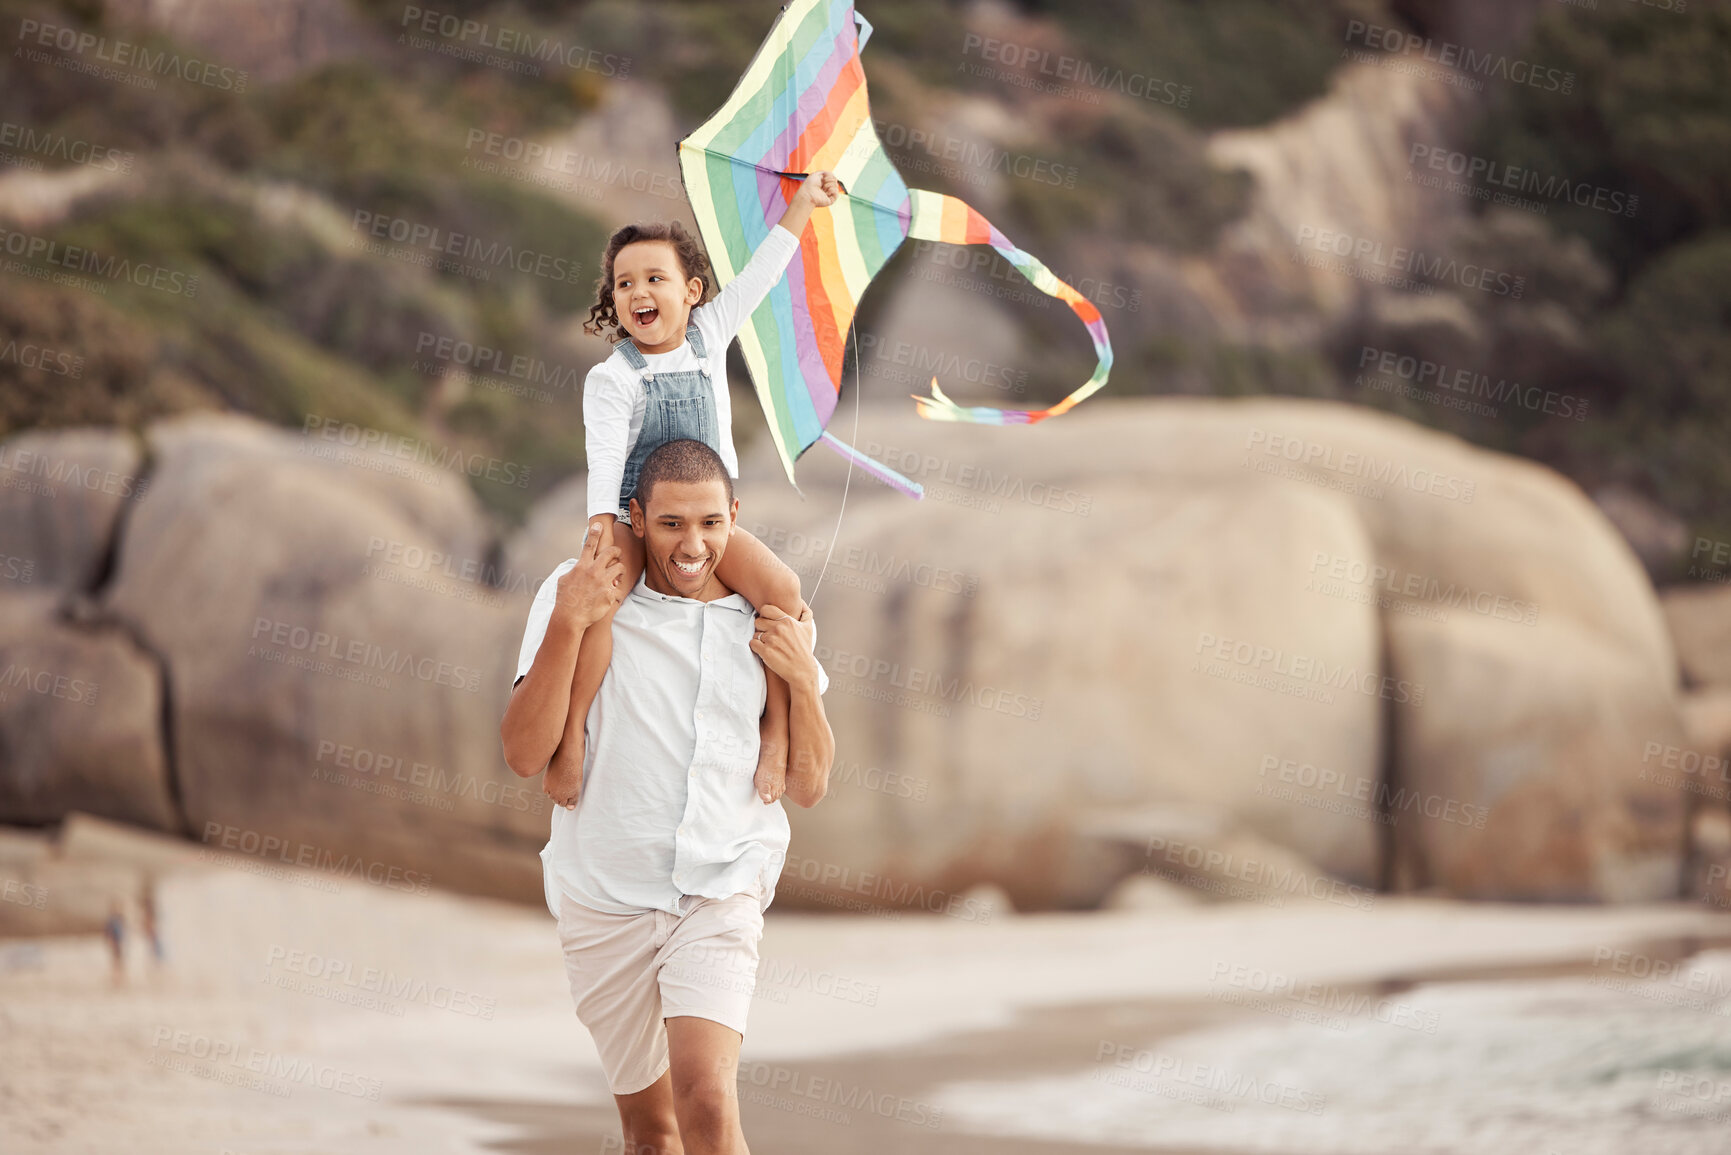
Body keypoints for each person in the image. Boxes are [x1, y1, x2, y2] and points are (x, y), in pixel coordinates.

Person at [499, 438, 835, 1155]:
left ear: (735, 518)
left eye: (711, 523)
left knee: (707, 1105)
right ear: (638, 518)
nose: (693, 544)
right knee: (652, 1135)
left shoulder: (765, 613)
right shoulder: (583, 591)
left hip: (721, 885)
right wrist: (566, 619)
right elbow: (525, 753)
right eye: (673, 523)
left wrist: (802, 681)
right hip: (603, 892)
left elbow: (808, 785)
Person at [558, 171, 842, 814]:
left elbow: (763, 274)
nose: (639, 292)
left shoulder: (709, 337)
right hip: (639, 519)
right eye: (624, 283)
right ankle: (573, 731)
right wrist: (604, 520)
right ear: (614, 300)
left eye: (655, 278)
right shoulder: (613, 377)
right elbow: (603, 453)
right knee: (601, 604)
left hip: (708, 522)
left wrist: (801, 205)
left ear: (690, 292)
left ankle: (774, 731)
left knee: (785, 594)